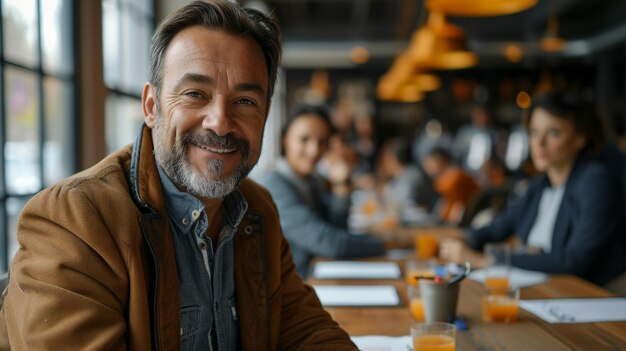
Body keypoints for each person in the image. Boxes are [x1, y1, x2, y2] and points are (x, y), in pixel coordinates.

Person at [0, 1, 359, 349]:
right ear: (152, 107)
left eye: (245, 101)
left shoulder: (256, 208)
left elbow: (305, 330)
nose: (220, 121)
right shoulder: (75, 219)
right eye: (195, 94)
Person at [439, 91, 626, 286]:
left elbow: (573, 260)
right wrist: (462, 240)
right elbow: (496, 229)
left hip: (587, 296)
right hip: (542, 291)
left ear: (580, 138)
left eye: (554, 132)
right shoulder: (538, 186)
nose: (539, 143)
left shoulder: (595, 181)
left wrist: (489, 260)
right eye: (534, 132)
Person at [260, 104, 385, 279]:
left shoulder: (311, 181)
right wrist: (384, 244)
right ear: (285, 140)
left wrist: (341, 184)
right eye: (304, 139)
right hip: (287, 292)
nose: (314, 150)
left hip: (312, 279)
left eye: (322, 142)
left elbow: (336, 227)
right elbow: (329, 243)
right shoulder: (273, 185)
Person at [421, 147, 481, 224]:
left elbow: (458, 205)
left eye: (429, 163)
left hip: (470, 217)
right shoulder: (447, 176)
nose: (427, 168)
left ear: (440, 162)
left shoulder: (453, 176)